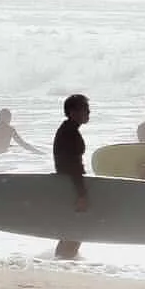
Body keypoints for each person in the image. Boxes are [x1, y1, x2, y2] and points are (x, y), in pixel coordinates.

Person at [52, 92, 91, 258]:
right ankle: (63, 261)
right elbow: (73, 165)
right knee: (76, 227)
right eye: (86, 110)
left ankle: (62, 261)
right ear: (73, 112)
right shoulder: (70, 133)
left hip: (66, 182)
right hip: (70, 184)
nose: (89, 113)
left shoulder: (67, 129)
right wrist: (81, 193)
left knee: (73, 228)